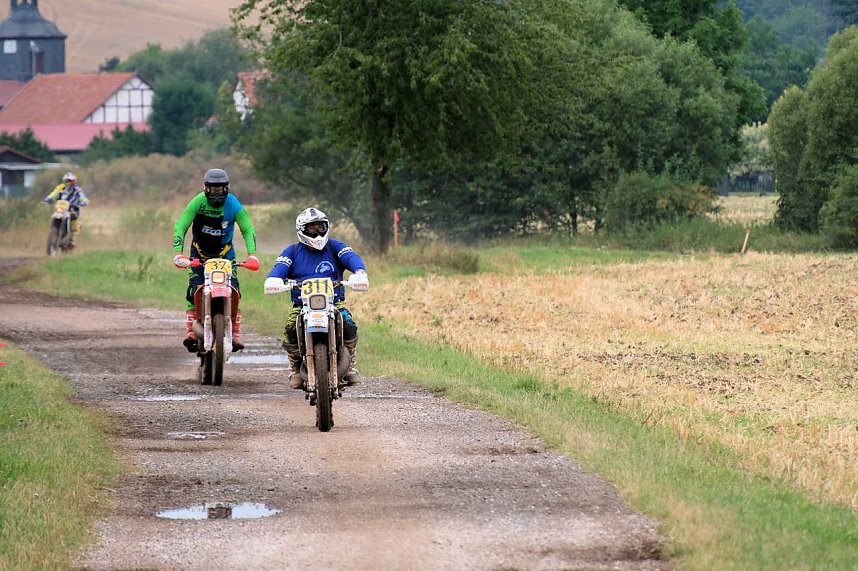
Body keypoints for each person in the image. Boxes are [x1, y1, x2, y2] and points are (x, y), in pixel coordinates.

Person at [264, 207, 369, 389]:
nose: (317, 232)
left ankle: (350, 365)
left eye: (320, 227)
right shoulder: (293, 251)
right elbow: (279, 267)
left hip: (334, 302)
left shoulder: (335, 246)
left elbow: (351, 257)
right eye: (312, 228)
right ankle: (296, 368)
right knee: (290, 328)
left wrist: (359, 272)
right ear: (302, 230)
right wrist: (274, 280)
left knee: (349, 324)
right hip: (302, 305)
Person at [173, 168, 259, 352]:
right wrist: (178, 253)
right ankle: (191, 330)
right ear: (206, 189)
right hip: (199, 254)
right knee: (193, 288)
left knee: (235, 289)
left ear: (227, 188)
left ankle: (235, 333)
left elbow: (247, 229)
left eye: (221, 189)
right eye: (213, 189)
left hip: (225, 255)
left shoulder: (233, 204)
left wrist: (252, 254)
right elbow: (181, 225)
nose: (217, 193)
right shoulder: (197, 202)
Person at [42, 172, 89, 248]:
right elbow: (53, 194)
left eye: (71, 181)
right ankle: (53, 233)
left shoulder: (77, 190)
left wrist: (84, 202)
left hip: (72, 209)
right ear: (64, 181)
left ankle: (72, 239)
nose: (69, 182)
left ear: (74, 181)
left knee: (74, 223)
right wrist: (47, 200)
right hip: (60, 209)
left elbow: (83, 197)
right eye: (67, 180)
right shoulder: (60, 188)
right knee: (54, 217)